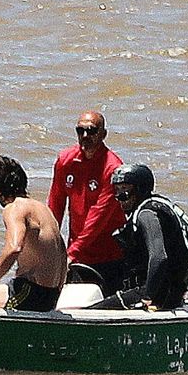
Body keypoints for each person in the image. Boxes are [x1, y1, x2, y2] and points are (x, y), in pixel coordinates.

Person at [0, 155, 68, 312]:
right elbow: (63, 253)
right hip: (50, 294)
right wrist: (55, 293)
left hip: (30, 293)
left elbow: (14, 248)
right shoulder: (43, 209)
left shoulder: (14, 208)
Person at [92, 164, 188, 312]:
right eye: (117, 191)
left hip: (159, 296)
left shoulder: (146, 215)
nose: (119, 198)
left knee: (93, 311)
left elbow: (159, 258)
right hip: (166, 292)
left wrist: (148, 297)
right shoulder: (154, 206)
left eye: (125, 191)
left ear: (140, 189)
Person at [47, 110, 127, 293]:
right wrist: (48, 246)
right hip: (77, 254)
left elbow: (97, 219)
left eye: (91, 131)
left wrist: (70, 255)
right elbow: (55, 206)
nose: (85, 136)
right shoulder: (65, 161)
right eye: (80, 131)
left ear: (103, 134)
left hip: (109, 256)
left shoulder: (113, 167)